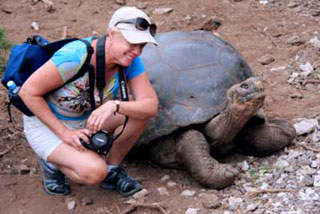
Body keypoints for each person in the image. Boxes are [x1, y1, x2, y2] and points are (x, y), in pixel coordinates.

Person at [19, 6, 159, 196]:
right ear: (111, 34)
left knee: (137, 114)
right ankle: (52, 163)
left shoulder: (131, 61)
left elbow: (151, 106)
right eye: (132, 43)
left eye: (142, 45)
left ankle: (112, 170)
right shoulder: (76, 56)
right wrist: (64, 133)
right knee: (94, 172)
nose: (137, 51)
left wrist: (114, 105)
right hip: (47, 122)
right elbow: (28, 92)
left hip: (85, 117)